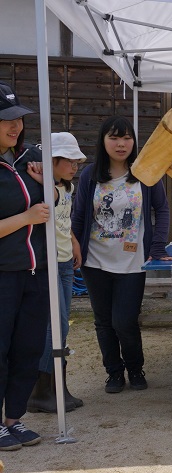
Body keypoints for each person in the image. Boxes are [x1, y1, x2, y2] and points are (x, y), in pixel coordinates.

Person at [72, 116, 170, 394]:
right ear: (103, 141)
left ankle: (135, 368)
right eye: (114, 137)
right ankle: (113, 373)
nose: (121, 144)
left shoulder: (145, 172)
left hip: (132, 262)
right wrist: (76, 247)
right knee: (103, 322)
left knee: (124, 321)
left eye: (126, 137)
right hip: (95, 262)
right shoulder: (91, 175)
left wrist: (157, 246)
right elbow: (79, 216)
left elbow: (161, 210)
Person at [0, 81, 48, 450]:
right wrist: (26, 216)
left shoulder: (28, 156)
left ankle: (13, 418)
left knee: (28, 347)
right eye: (5, 119)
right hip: (4, 273)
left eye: (18, 118)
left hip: (36, 270)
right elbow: (32, 214)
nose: (14, 126)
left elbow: (53, 206)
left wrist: (47, 185)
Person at [27, 132, 86, 413]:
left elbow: (65, 221)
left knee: (61, 325)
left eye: (77, 161)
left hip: (64, 262)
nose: (74, 166)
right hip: (49, 264)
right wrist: (43, 174)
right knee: (55, 326)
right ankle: (43, 389)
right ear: (53, 160)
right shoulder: (48, 187)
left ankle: (55, 387)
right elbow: (48, 196)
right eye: (69, 160)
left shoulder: (68, 188)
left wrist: (74, 241)